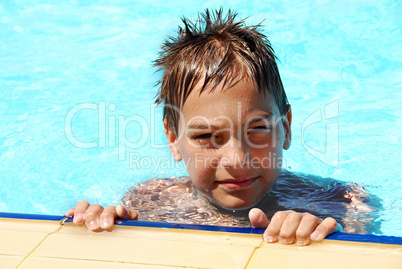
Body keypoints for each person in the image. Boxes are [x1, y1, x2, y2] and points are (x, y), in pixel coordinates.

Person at [66, 9, 364, 246]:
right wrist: (100, 225)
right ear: (173, 139)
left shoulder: (333, 200)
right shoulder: (149, 201)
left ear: (285, 128)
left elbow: (366, 240)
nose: (236, 159)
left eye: (257, 129)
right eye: (207, 136)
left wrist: (331, 231)